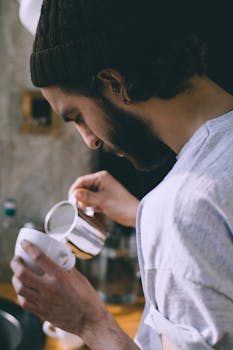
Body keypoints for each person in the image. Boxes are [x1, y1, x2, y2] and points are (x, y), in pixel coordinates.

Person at [10, 1, 233, 349]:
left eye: (77, 116)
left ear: (114, 81)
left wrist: (88, 322)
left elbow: (197, 215)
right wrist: (140, 214)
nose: (91, 140)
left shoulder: (184, 205)